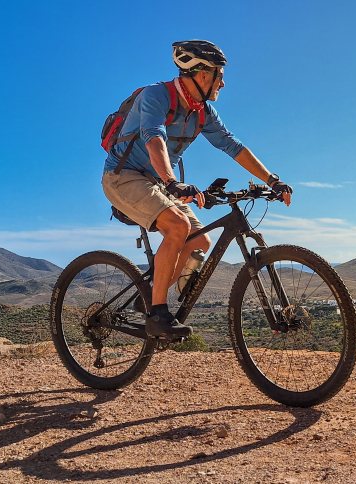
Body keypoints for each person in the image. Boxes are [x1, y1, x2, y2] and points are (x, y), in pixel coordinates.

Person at [101, 40, 293, 338]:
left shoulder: (203, 112)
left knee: (199, 241)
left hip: (159, 182)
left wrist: (272, 180)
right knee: (177, 227)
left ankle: (150, 297)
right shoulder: (156, 96)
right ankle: (159, 313)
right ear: (202, 74)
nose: (223, 83)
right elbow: (154, 139)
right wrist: (171, 181)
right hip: (123, 176)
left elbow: (232, 146)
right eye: (219, 74)